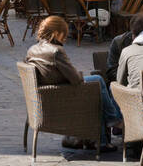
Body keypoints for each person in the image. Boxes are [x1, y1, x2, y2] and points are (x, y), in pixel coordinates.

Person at [24, 15, 122, 153]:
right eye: (64, 34)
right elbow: (76, 79)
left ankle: (99, 136)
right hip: (63, 94)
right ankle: (113, 120)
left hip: (47, 96)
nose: (65, 37)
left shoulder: (32, 50)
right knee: (98, 81)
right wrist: (79, 74)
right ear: (56, 33)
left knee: (95, 89)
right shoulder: (56, 51)